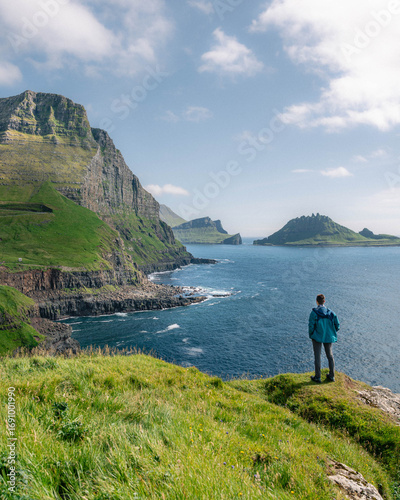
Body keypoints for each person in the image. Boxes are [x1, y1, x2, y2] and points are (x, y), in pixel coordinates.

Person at [308, 294, 340, 383]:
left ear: (316, 301)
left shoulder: (314, 313)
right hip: (328, 337)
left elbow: (311, 326)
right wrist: (331, 332)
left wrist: (311, 335)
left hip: (317, 337)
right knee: (330, 356)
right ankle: (331, 376)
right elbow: (337, 326)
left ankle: (317, 377)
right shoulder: (331, 313)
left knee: (317, 356)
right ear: (324, 301)